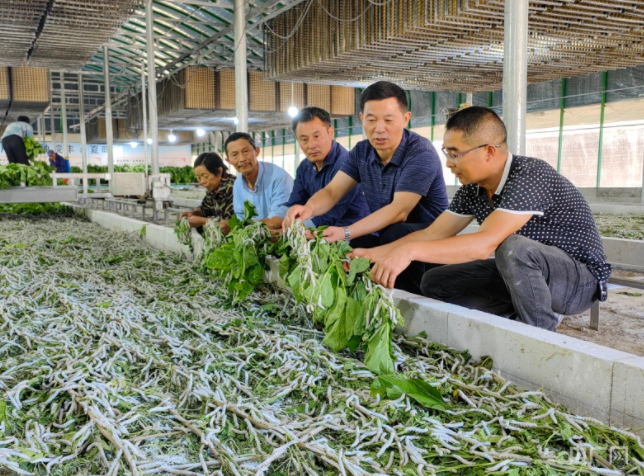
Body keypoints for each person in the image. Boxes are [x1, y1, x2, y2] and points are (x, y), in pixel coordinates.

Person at [350, 106, 611, 331]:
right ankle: (511, 321)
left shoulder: (530, 174)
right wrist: (370, 255)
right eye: (446, 152)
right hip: (524, 277)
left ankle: (541, 335)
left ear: (488, 151)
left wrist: (407, 252)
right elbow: (432, 233)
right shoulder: (472, 189)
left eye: (455, 153)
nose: (449, 163)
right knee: (435, 281)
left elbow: (484, 244)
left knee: (513, 248)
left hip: (578, 282)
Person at [283, 81, 448, 293]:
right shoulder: (361, 151)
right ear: (362, 119)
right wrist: (308, 209)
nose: (379, 129)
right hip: (388, 233)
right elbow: (333, 191)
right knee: (351, 243)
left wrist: (345, 231)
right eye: (371, 120)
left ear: (406, 119)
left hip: (432, 239)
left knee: (391, 232)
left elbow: (400, 211)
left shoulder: (420, 152)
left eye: (388, 120)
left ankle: (410, 299)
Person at [283, 106, 370, 228]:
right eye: (304, 139)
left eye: (316, 136)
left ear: (330, 132)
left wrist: (295, 229)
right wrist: (279, 220)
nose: (311, 145)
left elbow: (332, 214)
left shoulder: (346, 162)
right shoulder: (304, 167)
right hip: (324, 232)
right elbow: (295, 203)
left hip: (357, 233)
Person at [225, 132, 293, 232]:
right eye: (235, 155)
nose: (242, 159)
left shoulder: (278, 177)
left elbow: (279, 218)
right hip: (256, 238)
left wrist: (249, 230)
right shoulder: (238, 185)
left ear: (257, 151)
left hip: (283, 237)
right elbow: (241, 219)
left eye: (246, 151)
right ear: (229, 161)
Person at [180, 152, 235, 234]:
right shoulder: (213, 189)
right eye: (198, 178)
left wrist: (202, 221)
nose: (202, 181)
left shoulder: (232, 187)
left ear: (219, 171)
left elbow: (230, 224)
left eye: (205, 176)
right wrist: (193, 213)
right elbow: (205, 208)